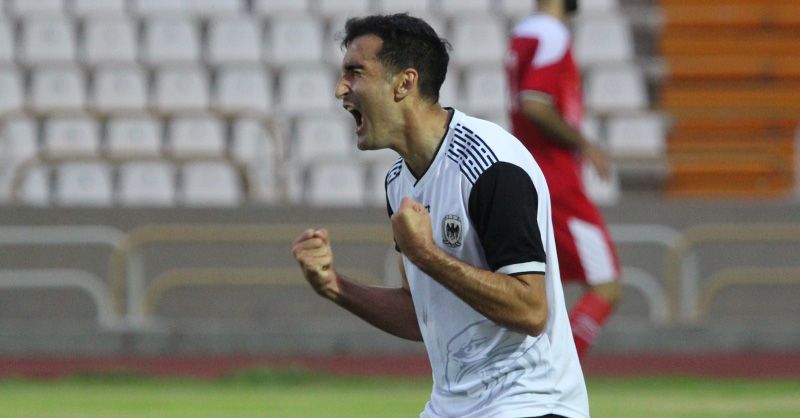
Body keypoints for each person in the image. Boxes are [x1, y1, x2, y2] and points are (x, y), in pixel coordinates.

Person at [292, 13, 589, 418]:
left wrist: (425, 253)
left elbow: (531, 310)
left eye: (355, 72)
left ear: (405, 83)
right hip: (451, 407)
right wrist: (334, 286)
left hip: (529, 402)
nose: (340, 88)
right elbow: (421, 315)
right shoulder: (398, 181)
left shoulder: (492, 165)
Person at [505, 0, 623, 359]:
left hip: (530, 173)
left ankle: (538, 366)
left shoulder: (521, 35)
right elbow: (534, 102)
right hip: (557, 178)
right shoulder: (551, 35)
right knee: (606, 285)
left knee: (539, 288)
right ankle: (554, 367)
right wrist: (585, 144)